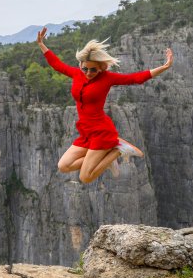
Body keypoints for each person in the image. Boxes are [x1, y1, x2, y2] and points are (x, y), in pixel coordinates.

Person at [36, 27, 173, 183]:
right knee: (63, 166)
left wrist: (164, 67)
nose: (88, 72)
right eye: (85, 68)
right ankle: (106, 157)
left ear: (101, 67)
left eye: (93, 69)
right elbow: (57, 64)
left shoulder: (107, 78)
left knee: (85, 177)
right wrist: (41, 44)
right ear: (80, 64)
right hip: (86, 132)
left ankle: (116, 151)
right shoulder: (76, 74)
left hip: (101, 132)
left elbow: (135, 78)